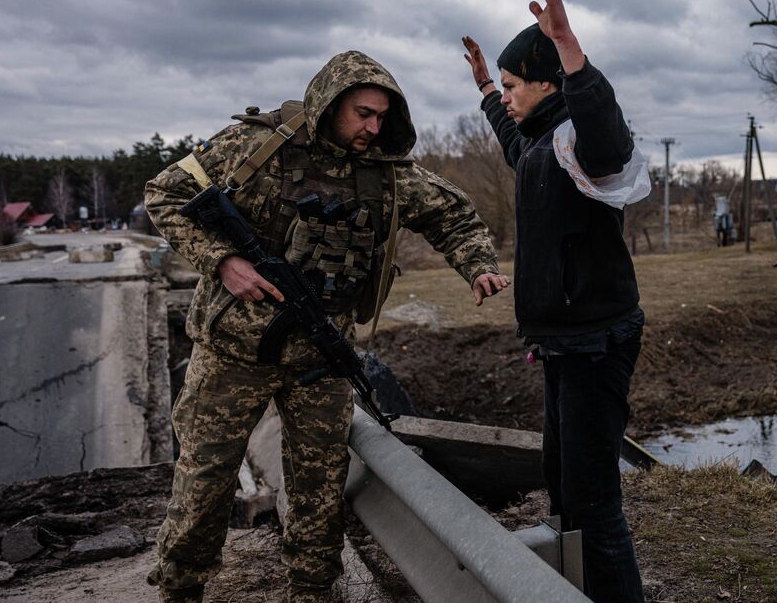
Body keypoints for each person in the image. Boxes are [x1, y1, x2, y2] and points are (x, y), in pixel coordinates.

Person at [143, 50, 509, 603]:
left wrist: (478, 265)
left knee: (319, 487)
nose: (373, 127)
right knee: (205, 479)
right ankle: (180, 588)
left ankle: (313, 590)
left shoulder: (387, 175)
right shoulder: (256, 147)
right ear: (331, 104)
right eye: (363, 113)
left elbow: (453, 215)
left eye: (382, 117)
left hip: (320, 357)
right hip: (233, 353)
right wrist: (222, 260)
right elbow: (164, 193)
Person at [461, 0, 646, 603]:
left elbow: (607, 135)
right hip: (563, 339)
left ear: (547, 83)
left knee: (594, 501)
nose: (509, 96)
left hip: (595, 337)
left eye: (515, 84)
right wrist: (486, 88)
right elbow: (513, 139)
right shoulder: (541, 146)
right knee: (562, 483)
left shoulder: (583, 145)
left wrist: (567, 44)